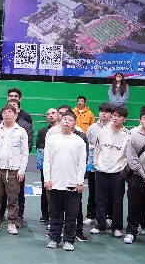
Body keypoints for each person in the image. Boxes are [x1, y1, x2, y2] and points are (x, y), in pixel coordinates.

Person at [43, 110, 87, 249]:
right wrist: (47, 179)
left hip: (72, 184)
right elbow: (47, 161)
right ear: (61, 120)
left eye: (70, 120)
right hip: (55, 183)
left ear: (75, 124)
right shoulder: (52, 139)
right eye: (65, 119)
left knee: (71, 215)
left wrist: (79, 182)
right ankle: (54, 238)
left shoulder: (79, 141)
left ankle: (69, 240)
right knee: (55, 214)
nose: (67, 122)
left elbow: (82, 164)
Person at [0, 104, 29, 235]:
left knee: (13, 198)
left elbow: (24, 153)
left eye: (10, 112)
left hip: (13, 170)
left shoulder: (21, 132)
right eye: (4, 112)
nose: (7, 115)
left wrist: (21, 171)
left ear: (15, 115)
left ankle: (12, 222)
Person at [91, 105, 129, 237]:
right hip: (101, 171)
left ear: (124, 119)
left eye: (119, 116)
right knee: (100, 200)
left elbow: (127, 155)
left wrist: (122, 170)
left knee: (117, 201)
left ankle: (116, 227)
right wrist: (96, 164)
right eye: (115, 115)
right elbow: (97, 149)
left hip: (117, 173)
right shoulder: (103, 131)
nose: (116, 118)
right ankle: (100, 225)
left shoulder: (127, 135)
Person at [123, 107, 145, 243]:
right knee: (134, 205)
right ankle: (131, 231)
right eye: (144, 118)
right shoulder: (133, 135)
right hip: (137, 176)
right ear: (140, 120)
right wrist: (144, 176)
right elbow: (131, 158)